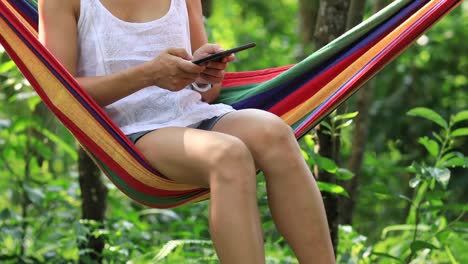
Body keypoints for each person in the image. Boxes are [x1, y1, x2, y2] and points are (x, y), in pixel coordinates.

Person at [38, 0, 335, 263]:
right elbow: (60, 94)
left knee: (276, 134)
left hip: (193, 113)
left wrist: (206, 71)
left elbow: (206, 91)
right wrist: (148, 74)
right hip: (131, 133)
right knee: (229, 155)